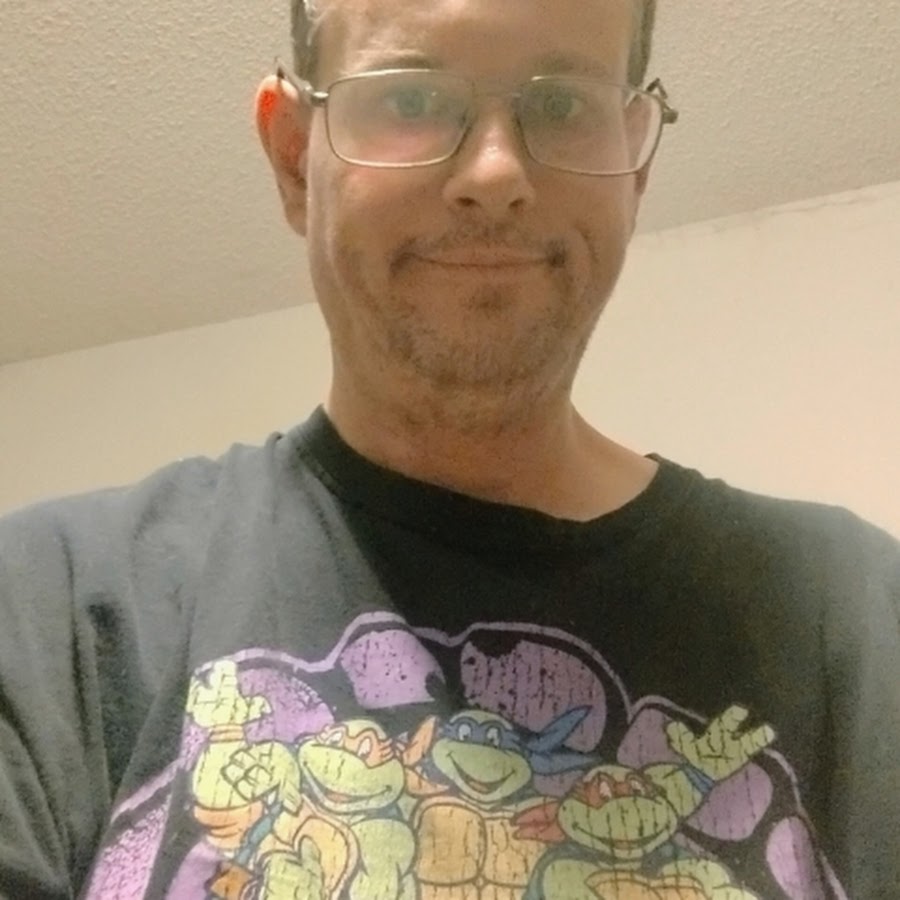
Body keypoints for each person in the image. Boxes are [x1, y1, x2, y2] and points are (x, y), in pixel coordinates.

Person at [1, 0, 897, 897]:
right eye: (410, 98)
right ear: (295, 159)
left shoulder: (861, 615)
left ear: (636, 159)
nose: (496, 173)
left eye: (562, 104)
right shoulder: (45, 608)